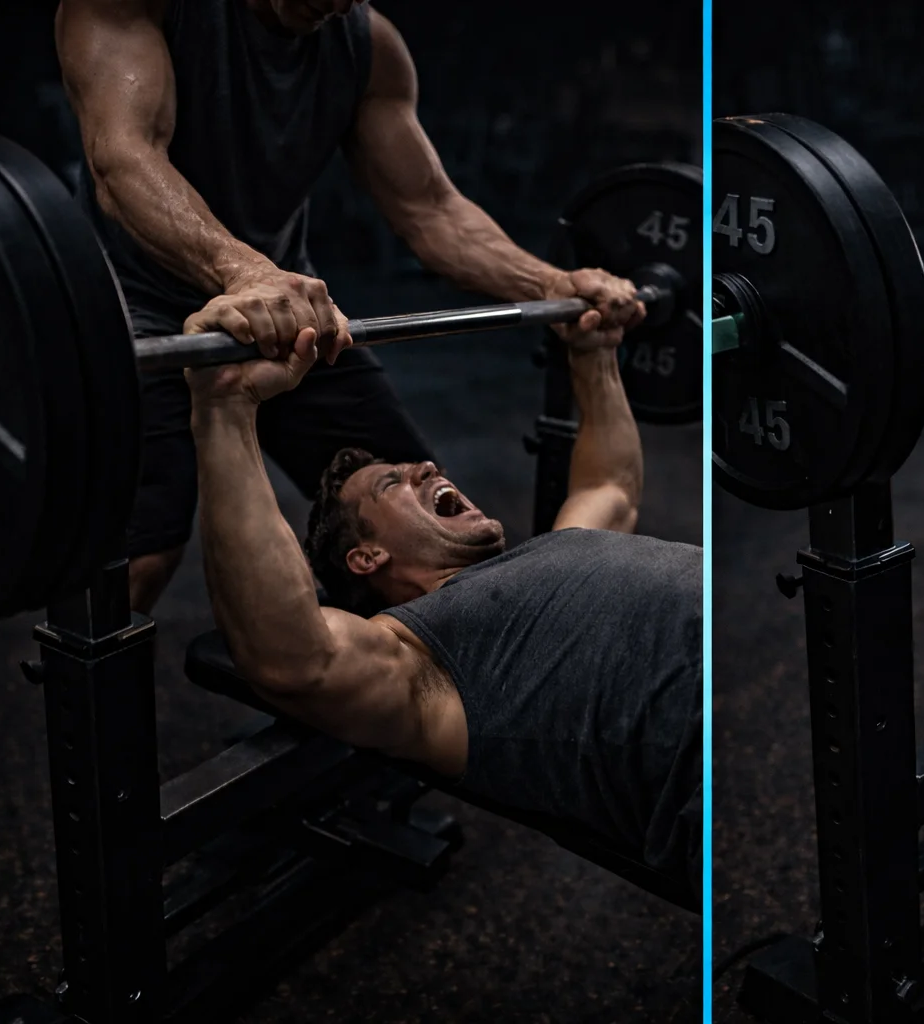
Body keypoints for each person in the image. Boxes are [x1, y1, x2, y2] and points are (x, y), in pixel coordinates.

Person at [56, 0, 644, 613]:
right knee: (139, 565)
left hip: (288, 322)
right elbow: (124, 159)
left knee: (422, 526)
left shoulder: (368, 48)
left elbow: (430, 209)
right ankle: (88, 704)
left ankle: (411, 691)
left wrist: (551, 283)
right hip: (141, 322)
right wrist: (246, 271)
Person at [181, 279, 702, 890]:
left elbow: (608, 486)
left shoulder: (550, 550)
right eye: (392, 483)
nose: (428, 465)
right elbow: (295, 660)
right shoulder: (423, 663)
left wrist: (594, 353)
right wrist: (223, 411)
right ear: (366, 556)